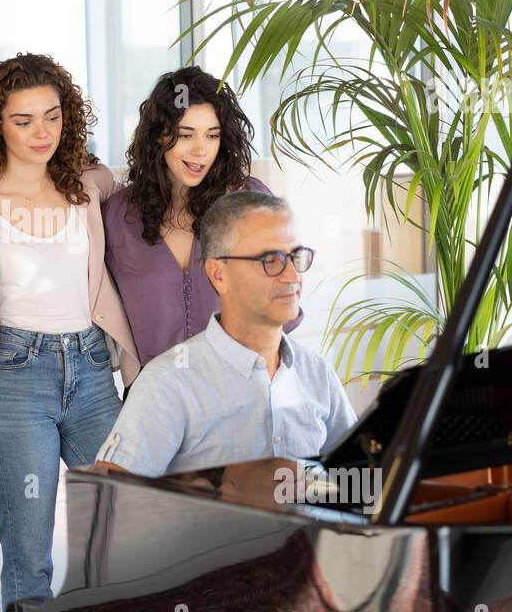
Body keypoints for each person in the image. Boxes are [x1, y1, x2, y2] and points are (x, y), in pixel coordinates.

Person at [0, 53, 140, 609]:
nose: (42, 133)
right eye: (23, 120)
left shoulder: (91, 184)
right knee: (29, 552)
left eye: (53, 116)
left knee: (120, 527)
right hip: (13, 377)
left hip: (91, 372)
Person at [96, 191, 356, 478]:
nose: (292, 276)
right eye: (271, 260)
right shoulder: (166, 384)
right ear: (219, 274)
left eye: (296, 257)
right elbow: (110, 504)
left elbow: (363, 479)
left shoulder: (317, 374)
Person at [104, 66, 301, 369]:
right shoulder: (118, 215)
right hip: (155, 397)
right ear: (158, 138)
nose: (200, 151)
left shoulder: (248, 203)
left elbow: (283, 304)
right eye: (186, 135)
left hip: (240, 391)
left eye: (212, 136)